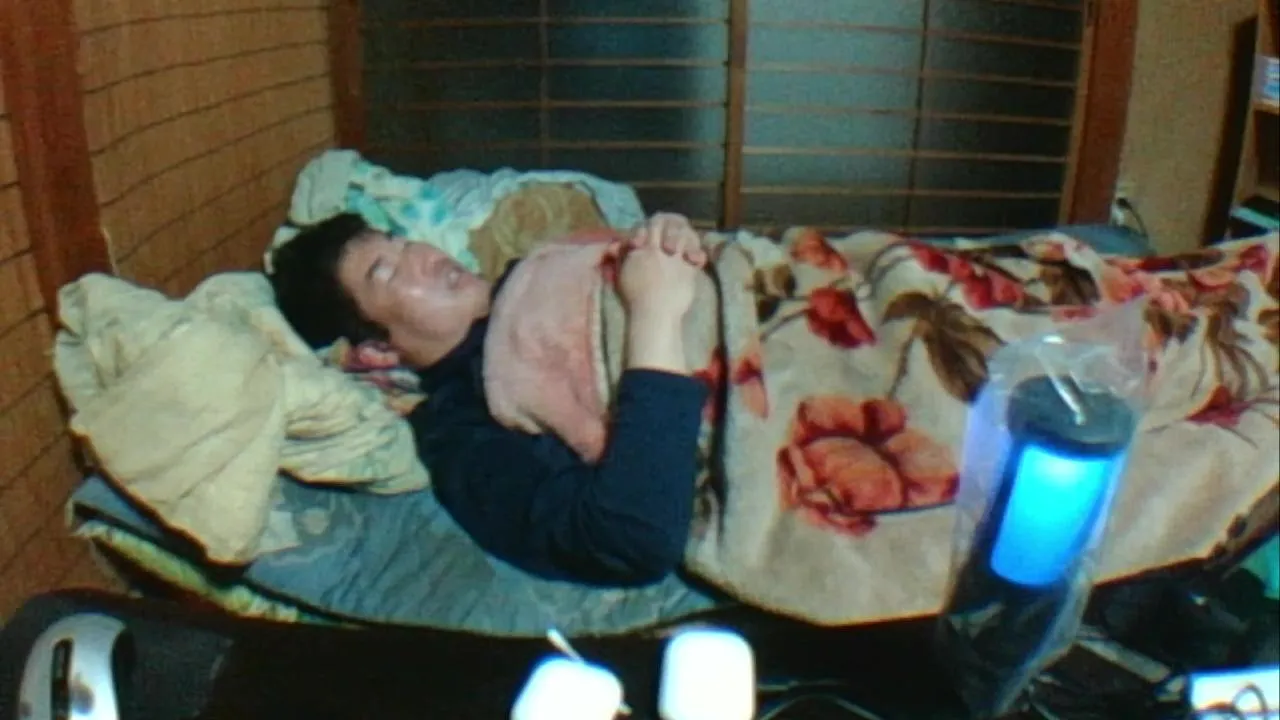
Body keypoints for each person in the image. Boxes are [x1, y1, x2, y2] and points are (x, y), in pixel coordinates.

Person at [269, 212, 709, 587]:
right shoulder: (461, 430)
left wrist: (667, 237)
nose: (422, 255)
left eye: (400, 241)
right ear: (376, 352)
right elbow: (632, 539)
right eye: (387, 272)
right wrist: (656, 314)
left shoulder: (537, 268)